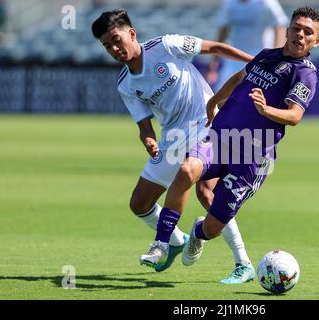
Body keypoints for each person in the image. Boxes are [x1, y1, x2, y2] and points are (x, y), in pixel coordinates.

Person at [140, 7, 319, 271]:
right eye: (297, 28)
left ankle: (197, 234)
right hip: (221, 137)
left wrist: (266, 110)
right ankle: (161, 243)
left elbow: (295, 115)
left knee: (214, 226)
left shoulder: (304, 73)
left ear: (316, 42)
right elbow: (240, 78)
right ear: (287, 30)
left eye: (308, 32)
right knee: (186, 170)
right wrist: (215, 101)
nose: (300, 34)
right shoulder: (266, 55)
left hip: (252, 156)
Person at [91, 9, 256, 283]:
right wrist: (148, 139)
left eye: (116, 39)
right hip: (173, 138)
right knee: (139, 203)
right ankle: (178, 240)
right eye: (107, 45)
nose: (114, 48)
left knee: (207, 192)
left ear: (131, 33)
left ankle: (243, 263)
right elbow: (144, 123)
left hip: (206, 123)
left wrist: (254, 62)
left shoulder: (165, 46)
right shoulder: (125, 84)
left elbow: (213, 46)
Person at [207, 0, 289, 91]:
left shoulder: (266, 2)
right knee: (221, 94)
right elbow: (223, 31)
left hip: (260, 59)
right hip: (234, 58)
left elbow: (280, 26)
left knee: (256, 95)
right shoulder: (229, 3)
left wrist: (276, 58)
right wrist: (214, 62)